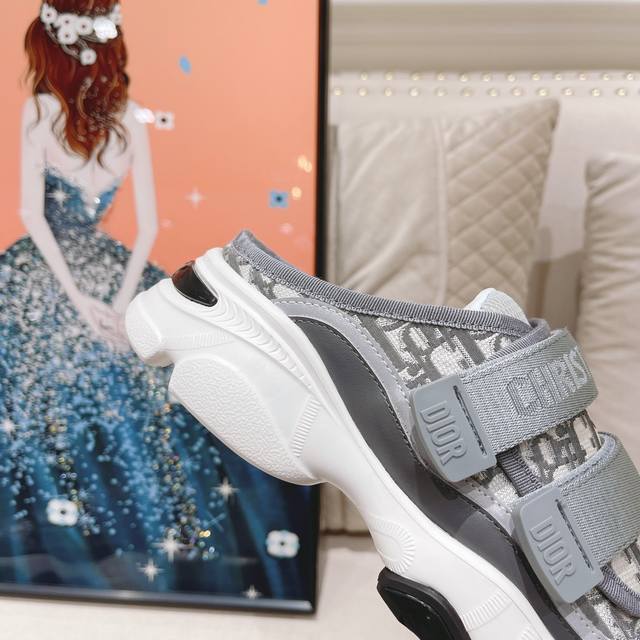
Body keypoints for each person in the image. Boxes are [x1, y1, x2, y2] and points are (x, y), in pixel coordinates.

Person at [0, 1, 311, 601]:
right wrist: (120, 303)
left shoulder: (39, 111)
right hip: (109, 275)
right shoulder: (128, 118)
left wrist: (84, 303)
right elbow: (144, 227)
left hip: (53, 271)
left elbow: (33, 217)